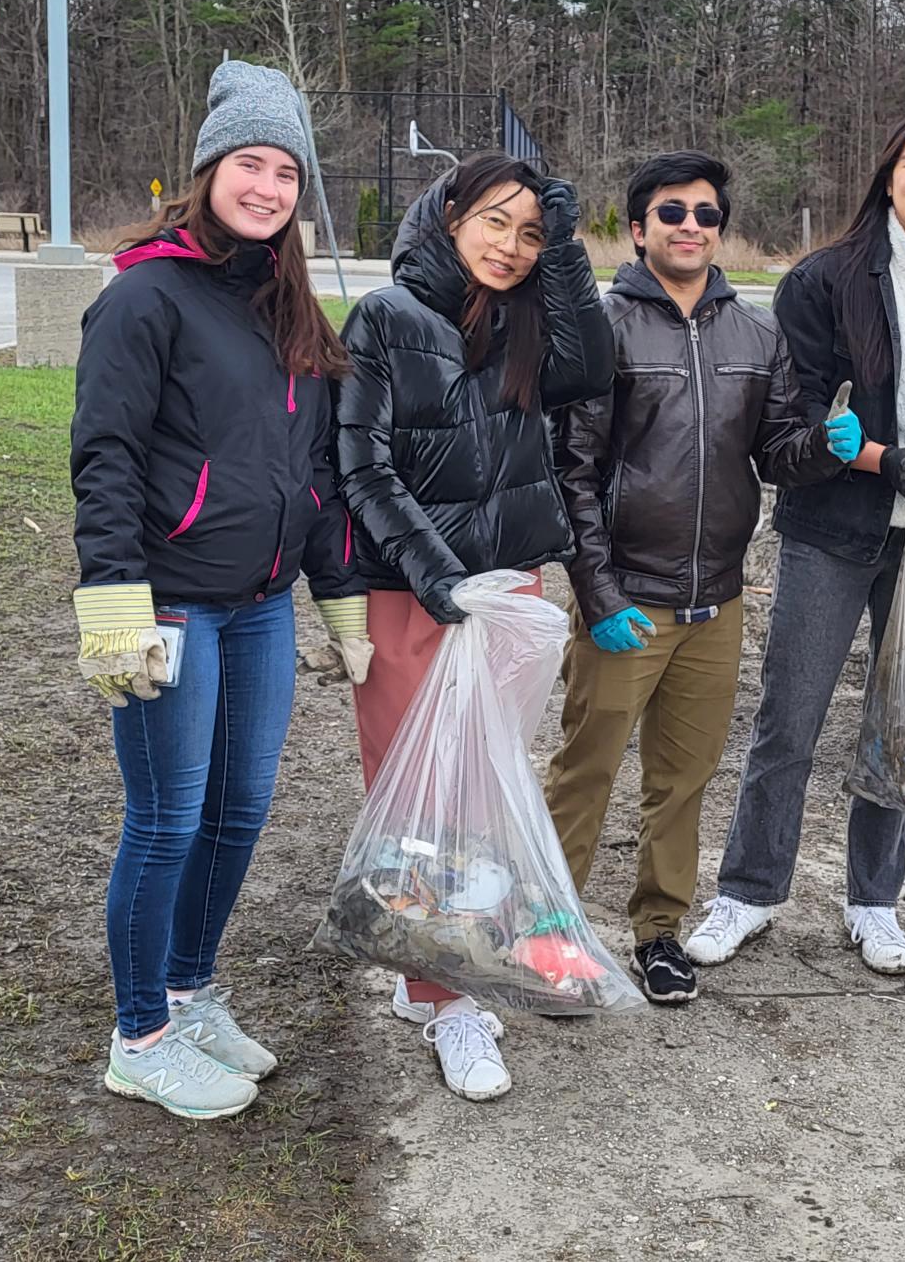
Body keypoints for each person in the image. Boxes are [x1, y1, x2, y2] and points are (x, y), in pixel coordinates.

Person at [70, 60, 372, 1120]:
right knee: (166, 818)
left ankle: (190, 990)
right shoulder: (144, 294)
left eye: (287, 170)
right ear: (207, 172)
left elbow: (317, 472)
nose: (269, 186)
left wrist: (336, 601)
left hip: (258, 606)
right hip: (170, 605)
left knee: (239, 810)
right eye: (251, 163)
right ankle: (138, 1035)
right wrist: (110, 599)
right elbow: (104, 454)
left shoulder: (285, 298)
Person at [684, 113, 905, 977]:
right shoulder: (823, 281)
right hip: (834, 533)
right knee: (790, 721)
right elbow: (802, 421)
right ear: (888, 176)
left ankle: (874, 902)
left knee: (901, 730)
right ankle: (749, 889)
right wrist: (887, 461)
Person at [542, 151, 862, 1006]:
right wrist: (598, 595)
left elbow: (777, 454)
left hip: (715, 604)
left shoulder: (756, 336)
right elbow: (570, 472)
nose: (691, 226)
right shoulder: (601, 327)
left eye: (707, 214)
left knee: (681, 783)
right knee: (585, 772)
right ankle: (550, 931)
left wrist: (824, 449)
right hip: (625, 604)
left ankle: (658, 932)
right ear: (639, 227)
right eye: (672, 212)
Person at [335, 153, 612, 1100]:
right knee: (426, 806)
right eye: (497, 222)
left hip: (509, 594)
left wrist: (569, 251)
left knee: (487, 793)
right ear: (449, 216)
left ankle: (442, 975)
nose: (512, 247)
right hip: (415, 594)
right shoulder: (385, 318)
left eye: (530, 232)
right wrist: (436, 575)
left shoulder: (526, 321)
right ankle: (449, 1005)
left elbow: (594, 368)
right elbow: (362, 469)